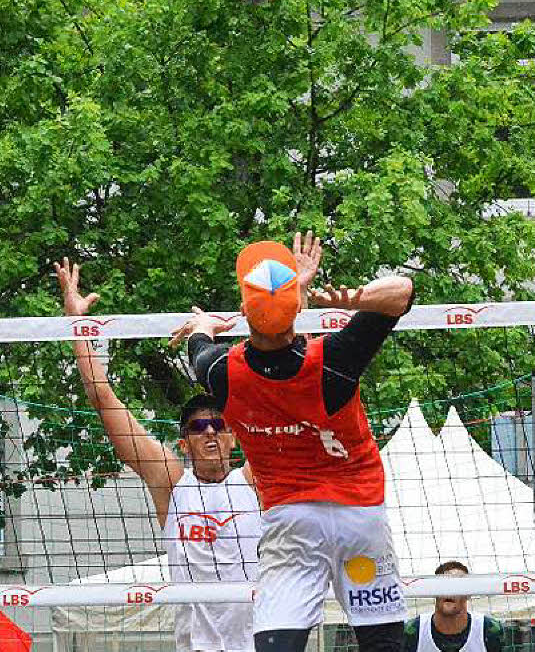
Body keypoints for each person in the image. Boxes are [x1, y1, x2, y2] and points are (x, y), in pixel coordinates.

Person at [170, 232, 414, 652]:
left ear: (244, 310)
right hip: (360, 516)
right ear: (298, 308)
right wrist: (348, 299)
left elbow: (201, 341)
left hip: (293, 523)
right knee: (381, 641)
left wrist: (205, 324)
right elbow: (404, 291)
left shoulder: (221, 374)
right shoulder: (335, 359)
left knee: (277, 641)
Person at [54, 257, 263, 652]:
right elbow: (103, 399)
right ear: (185, 443)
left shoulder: (253, 479)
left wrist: (263, 313)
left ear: (234, 436)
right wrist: (77, 326)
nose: (211, 433)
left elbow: (284, 393)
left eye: (219, 425)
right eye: (200, 428)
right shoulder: (173, 481)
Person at [403, 561, 507, 652]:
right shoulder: (413, 631)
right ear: (433, 590)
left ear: (469, 593)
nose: (449, 592)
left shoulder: (489, 629)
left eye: (457, 586)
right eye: (443, 585)